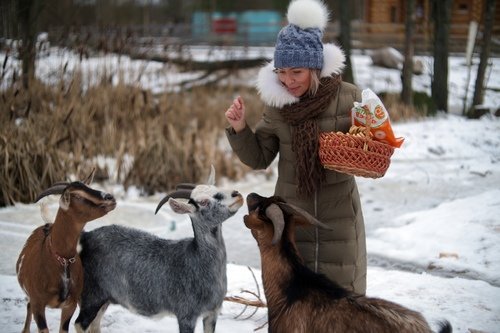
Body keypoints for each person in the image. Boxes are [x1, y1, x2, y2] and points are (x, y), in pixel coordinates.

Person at [224, 0, 366, 295]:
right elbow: (259, 157)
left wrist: (369, 141)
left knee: (342, 304)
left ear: (315, 67)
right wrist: (240, 129)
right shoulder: (277, 106)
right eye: (281, 71)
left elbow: (369, 147)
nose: (287, 81)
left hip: (338, 219)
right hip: (292, 219)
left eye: (296, 72)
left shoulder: (349, 98)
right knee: (297, 304)